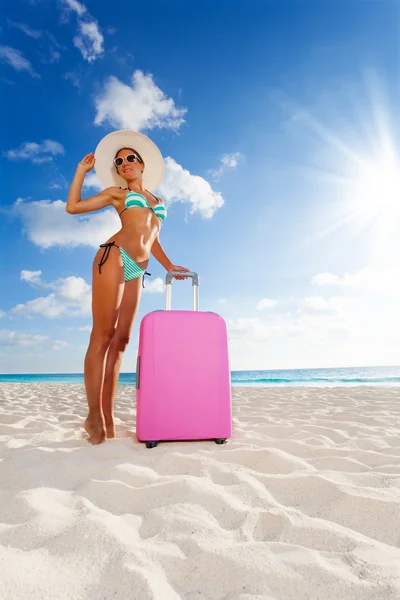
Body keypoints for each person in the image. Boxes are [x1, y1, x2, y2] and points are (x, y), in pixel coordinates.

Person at [66, 130, 190, 444]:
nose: (124, 164)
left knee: (122, 341)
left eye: (130, 158)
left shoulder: (158, 201)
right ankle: (92, 416)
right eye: (119, 161)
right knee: (103, 335)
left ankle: (108, 418)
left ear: (142, 164)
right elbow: (73, 207)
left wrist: (170, 266)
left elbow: (153, 240)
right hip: (114, 257)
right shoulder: (116, 194)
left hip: (139, 269)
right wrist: (81, 172)